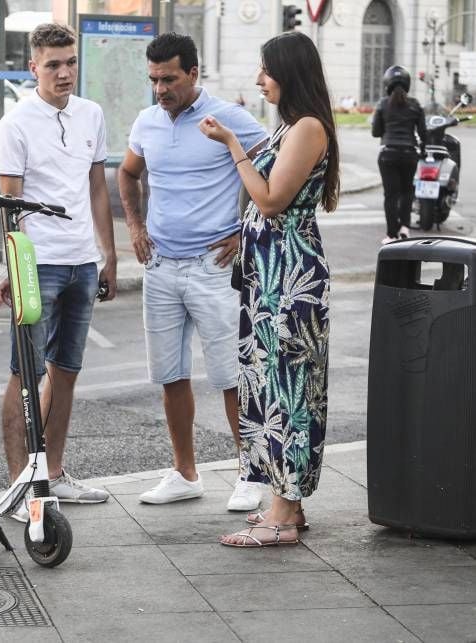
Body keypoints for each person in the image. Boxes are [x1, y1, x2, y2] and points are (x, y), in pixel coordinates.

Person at [117, 33, 267, 512]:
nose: (160, 89)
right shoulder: (147, 121)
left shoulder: (229, 118)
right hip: (160, 266)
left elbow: (275, 173)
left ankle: (250, 472)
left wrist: (246, 231)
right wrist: (136, 228)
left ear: (194, 73)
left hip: (213, 267)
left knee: (230, 375)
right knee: (170, 374)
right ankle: (185, 473)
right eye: (154, 80)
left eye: (169, 79)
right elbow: (127, 173)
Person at [198, 31, 338, 547]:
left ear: (290, 72)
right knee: (273, 382)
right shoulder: (291, 128)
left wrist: (233, 146)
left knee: (289, 388)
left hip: (289, 279)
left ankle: (282, 516)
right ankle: (288, 506)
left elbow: (273, 199)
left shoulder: (306, 128)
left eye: (266, 70)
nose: (260, 80)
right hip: (270, 276)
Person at [0, 22, 117, 521]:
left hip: (83, 260)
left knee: (67, 370)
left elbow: (97, 189)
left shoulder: (91, 114)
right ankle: (19, 486)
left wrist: (110, 254)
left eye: (70, 63)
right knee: (25, 372)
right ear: (33, 67)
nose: (64, 73)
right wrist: (13, 266)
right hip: (39, 261)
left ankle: (56, 474)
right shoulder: (16, 124)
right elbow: (9, 204)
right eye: (53, 65)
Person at [372, 65, 426, 244]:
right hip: (410, 154)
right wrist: (423, 150)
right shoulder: (415, 104)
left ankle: (391, 234)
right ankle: (405, 228)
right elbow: (423, 133)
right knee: (407, 192)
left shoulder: (382, 104)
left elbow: (375, 131)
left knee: (391, 195)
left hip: (388, 154)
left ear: (387, 83)